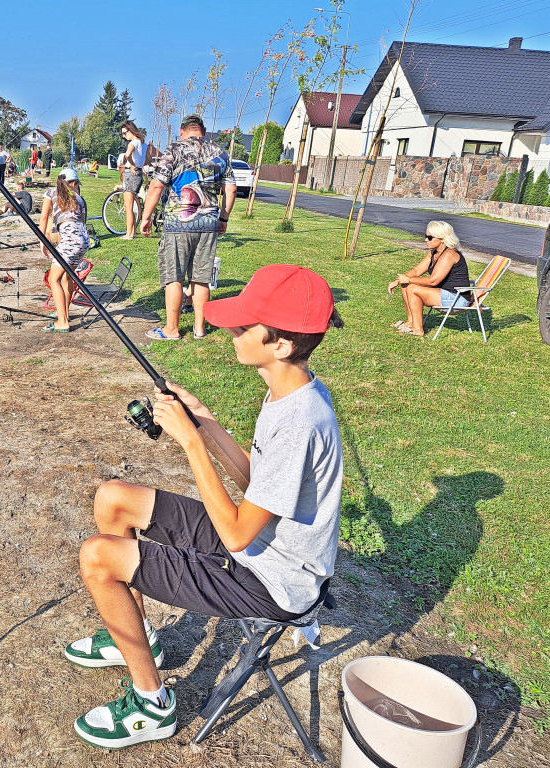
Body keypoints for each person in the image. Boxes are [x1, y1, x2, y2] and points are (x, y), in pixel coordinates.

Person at [66, 264, 344, 749]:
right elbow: (261, 484)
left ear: (281, 344)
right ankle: (135, 636)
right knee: (113, 499)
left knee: (97, 556)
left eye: (243, 325)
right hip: (259, 544)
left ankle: (151, 704)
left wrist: (191, 444)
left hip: (273, 582)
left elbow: (236, 535)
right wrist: (207, 423)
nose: (231, 329)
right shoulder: (288, 391)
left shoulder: (302, 418)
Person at [140, 114, 235, 341]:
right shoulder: (220, 154)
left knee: (175, 276)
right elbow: (230, 190)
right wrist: (223, 218)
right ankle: (199, 328)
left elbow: (155, 186)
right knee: (201, 277)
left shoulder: (174, 150)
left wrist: (145, 217)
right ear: (202, 131)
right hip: (208, 222)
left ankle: (171, 329)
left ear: (183, 131)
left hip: (177, 222)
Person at [388, 220, 471, 336]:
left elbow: (433, 281)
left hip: (457, 299)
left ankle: (418, 330)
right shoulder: (433, 253)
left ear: (442, 239)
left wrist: (408, 279)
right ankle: (410, 323)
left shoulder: (449, 255)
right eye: (426, 236)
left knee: (412, 288)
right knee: (405, 285)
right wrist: (399, 280)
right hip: (445, 294)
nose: (426, 240)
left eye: (430, 237)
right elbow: (417, 270)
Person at [39, 168, 89, 333]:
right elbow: (82, 223)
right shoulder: (80, 199)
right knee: (68, 278)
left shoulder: (51, 193)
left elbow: (44, 218)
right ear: (73, 183)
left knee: (54, 280)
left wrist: (43, 240)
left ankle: (62, 321)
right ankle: (64, 314)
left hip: (69, 242)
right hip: (83, 241)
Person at [117, 121, 147, 240]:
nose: (124, 136)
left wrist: (132, 165)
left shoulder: (132, 143)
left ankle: (129, 234)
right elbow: (148, 159)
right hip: (138, 174)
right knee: (131, 204)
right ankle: (133, 231)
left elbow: (127, 155)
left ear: (130, 130)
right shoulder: (143, 144)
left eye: (125, 133)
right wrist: (139, 165)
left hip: (131, 173)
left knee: (128, 206)